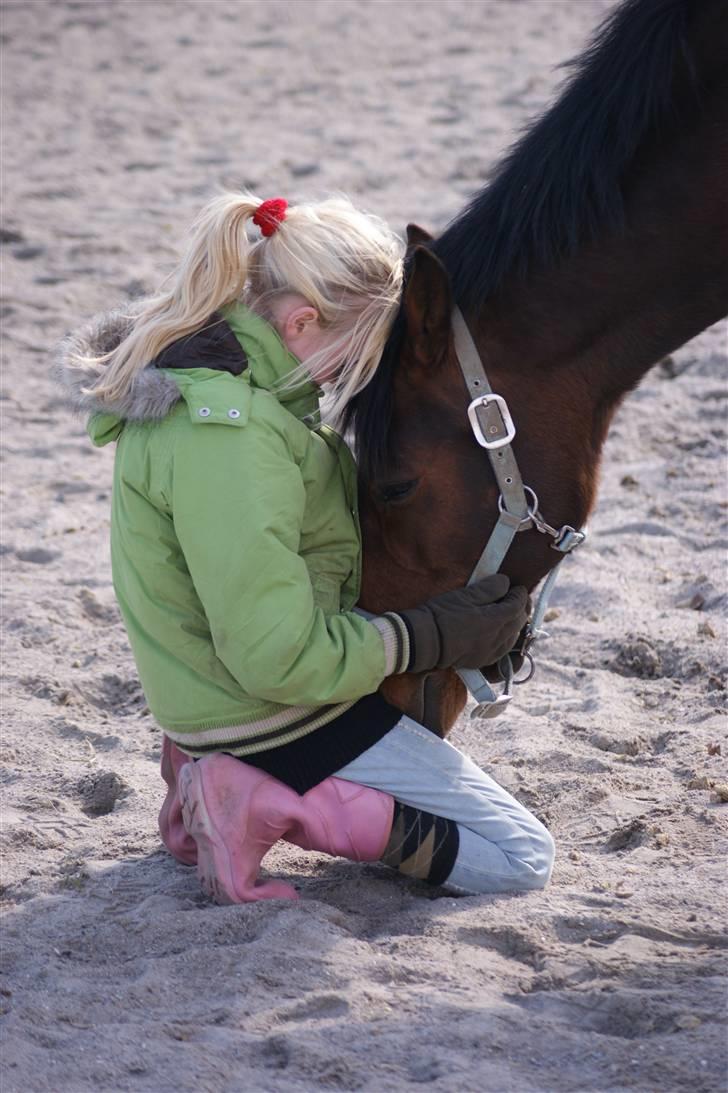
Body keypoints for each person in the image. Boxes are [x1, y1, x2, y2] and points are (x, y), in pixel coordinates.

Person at [58, 191, 554, 904]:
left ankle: (199, 776)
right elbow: (274, 656)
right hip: (272, 715)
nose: (348, 380)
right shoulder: (228, 440)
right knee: (520, 856)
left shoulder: (247, 402)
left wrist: (446, 628)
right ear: (301, 322)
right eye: (354, 356)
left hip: (230, 698)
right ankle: (264, 798)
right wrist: (422, 637)